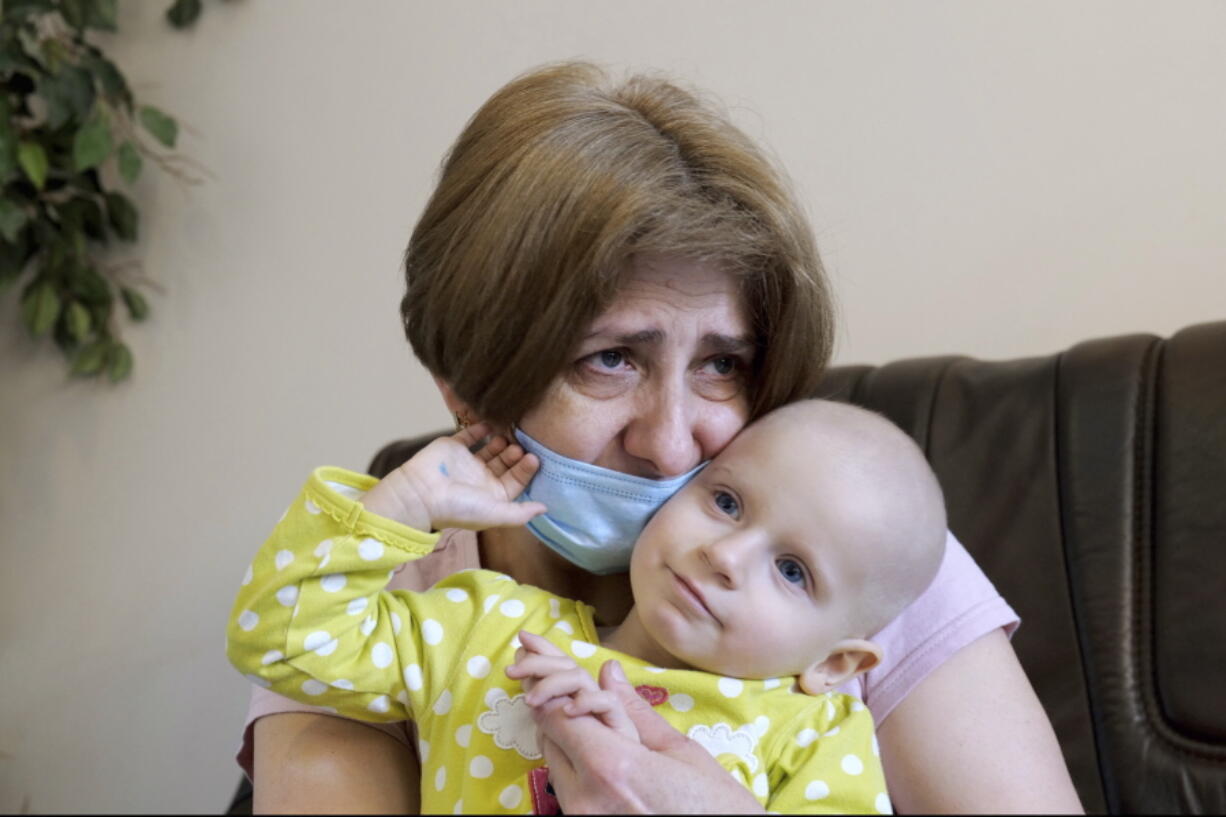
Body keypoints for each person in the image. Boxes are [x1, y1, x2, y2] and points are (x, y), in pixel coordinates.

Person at [241, 61, 1082, 813]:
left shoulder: (863, 553)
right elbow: (283, 634)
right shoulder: (382, 596)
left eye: (722, 363)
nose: (675, 445)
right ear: (466, 390)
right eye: (609, 359)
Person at [229, 400, 948, 813]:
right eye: (725, 502)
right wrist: (398, 507)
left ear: (836, 661)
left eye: (792, 570)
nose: (725, 555)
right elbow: (283, 642)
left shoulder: (817, 733)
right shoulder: (486, 627)